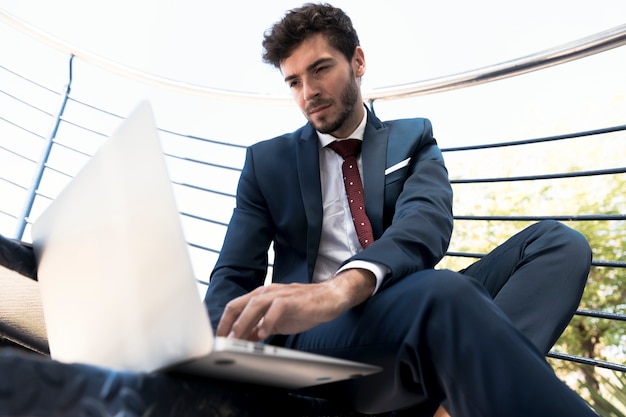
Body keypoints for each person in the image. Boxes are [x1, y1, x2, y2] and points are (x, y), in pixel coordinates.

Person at [204, 3, 596, 416]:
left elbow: (424, 222)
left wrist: (340, 288)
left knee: (557, 243)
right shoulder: (267, 163)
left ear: (358, 61)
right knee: (443, 294)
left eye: (320, 70)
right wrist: (211, 357)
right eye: (294, 82)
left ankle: (453, 403)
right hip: (318, 334)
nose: (308, 93)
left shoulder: (413, 137)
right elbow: (233, 274)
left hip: (409, 301)